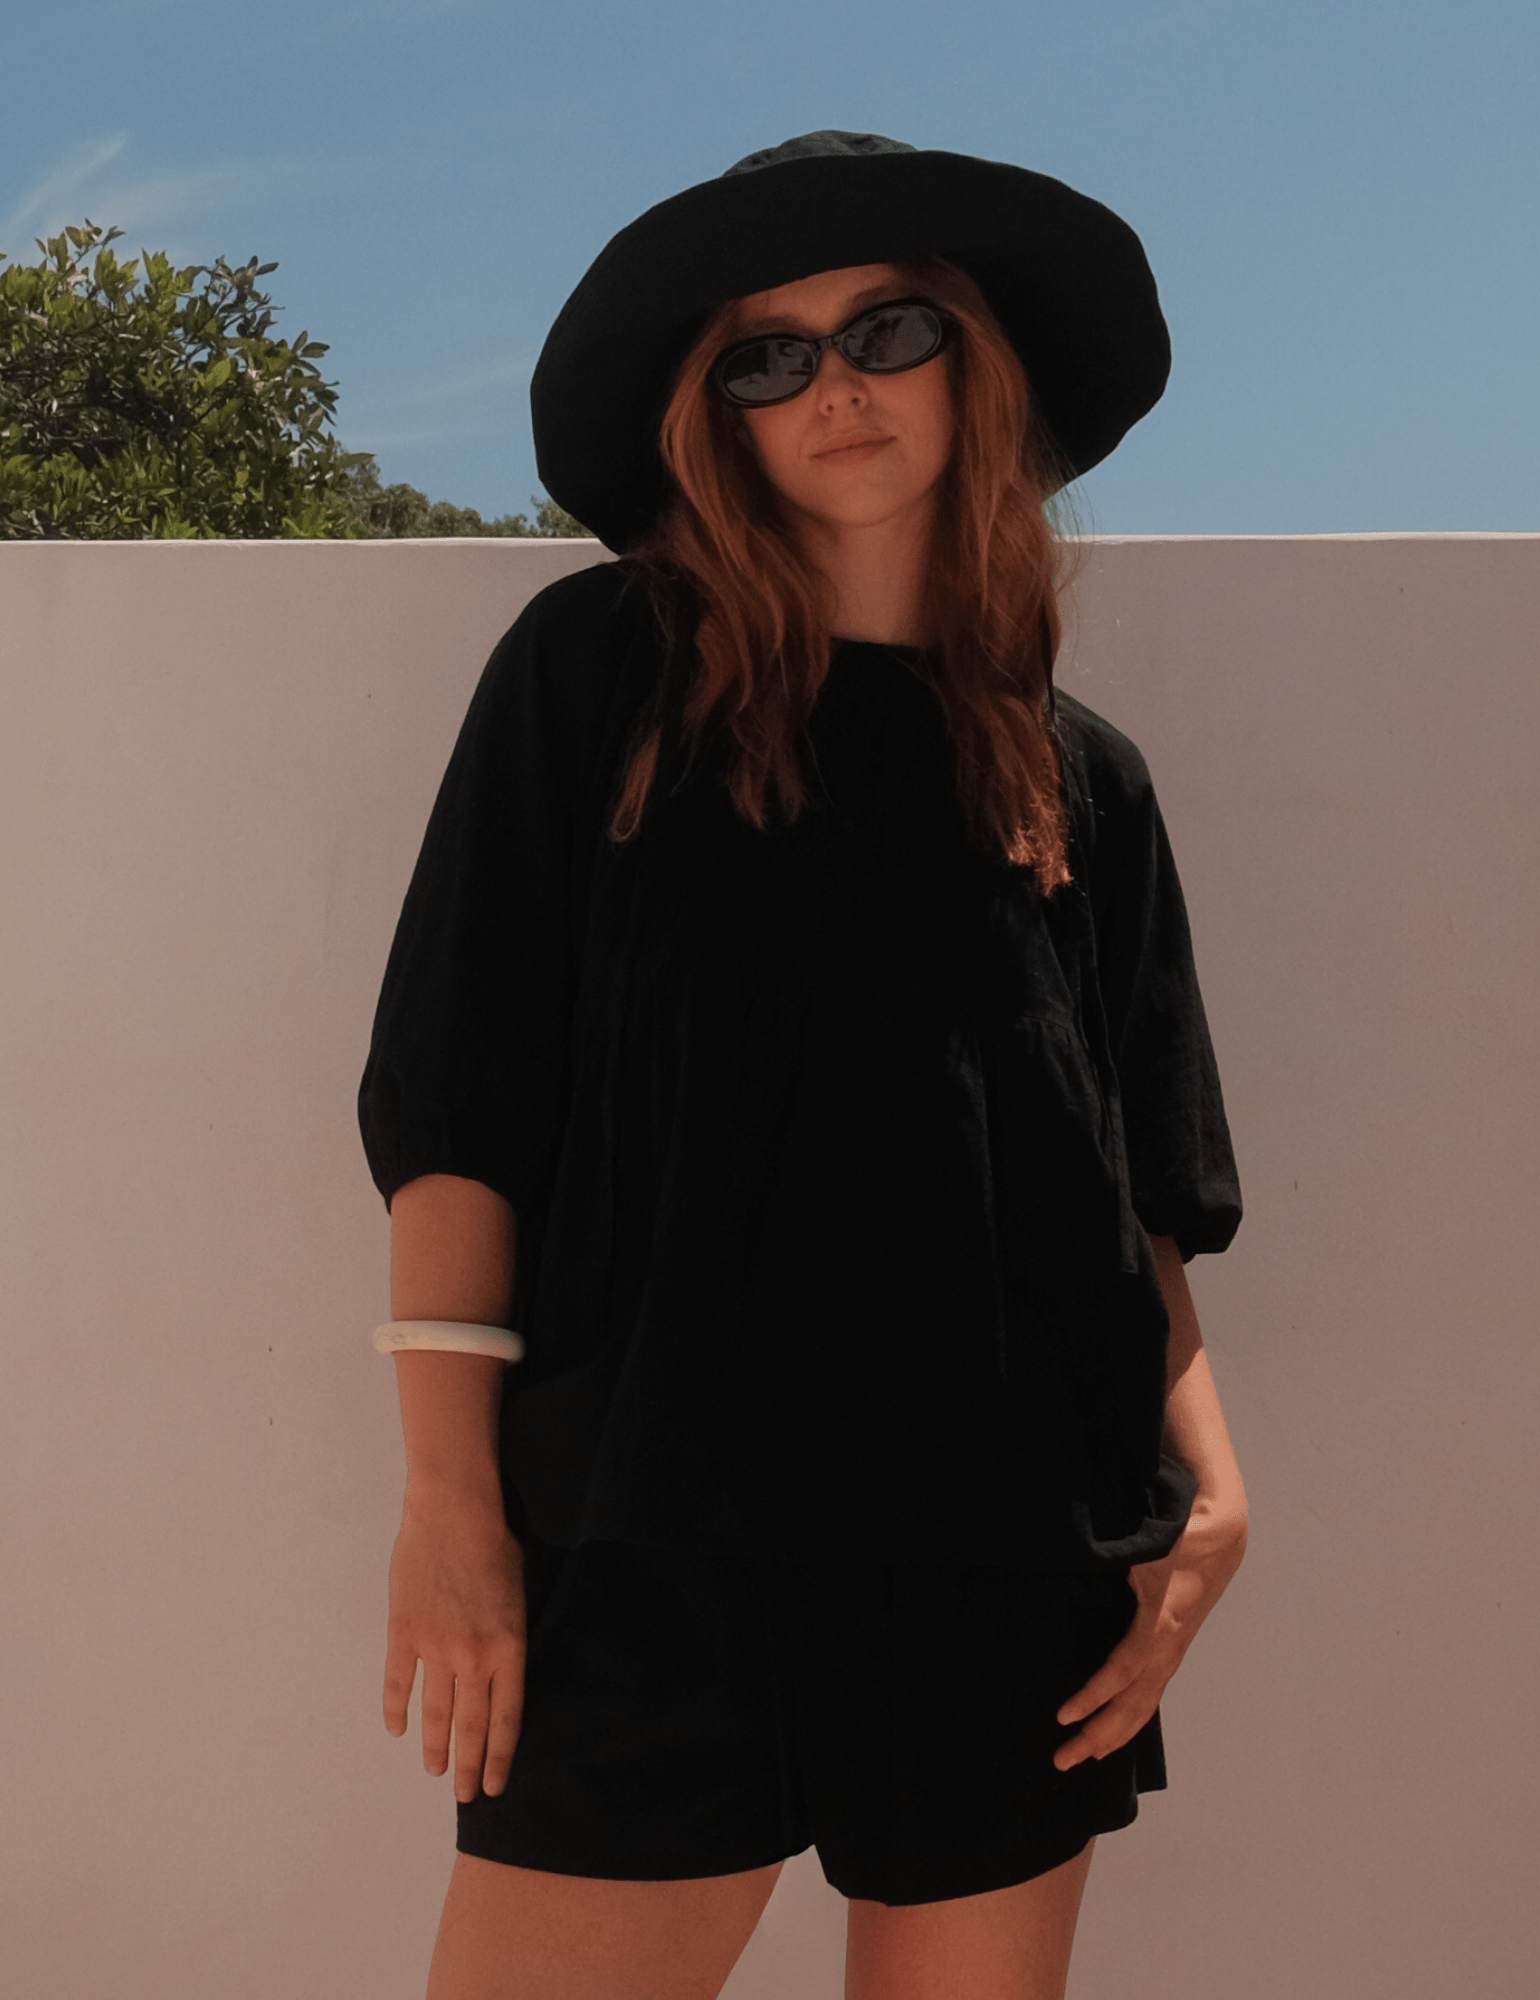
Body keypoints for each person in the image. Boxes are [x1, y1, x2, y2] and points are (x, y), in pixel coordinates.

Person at [359, 130, 1249, 2000]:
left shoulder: (1082, 777)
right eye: (768, 356)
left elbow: (1137, 1192)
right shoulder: (596, 677)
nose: (834, 384)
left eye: (887, 328)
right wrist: (449, 1503)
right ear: (717, 417)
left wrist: (1214, 1492)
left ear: (977, 360)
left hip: (1008, 1555)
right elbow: (461, 1106)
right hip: (647, 1528)